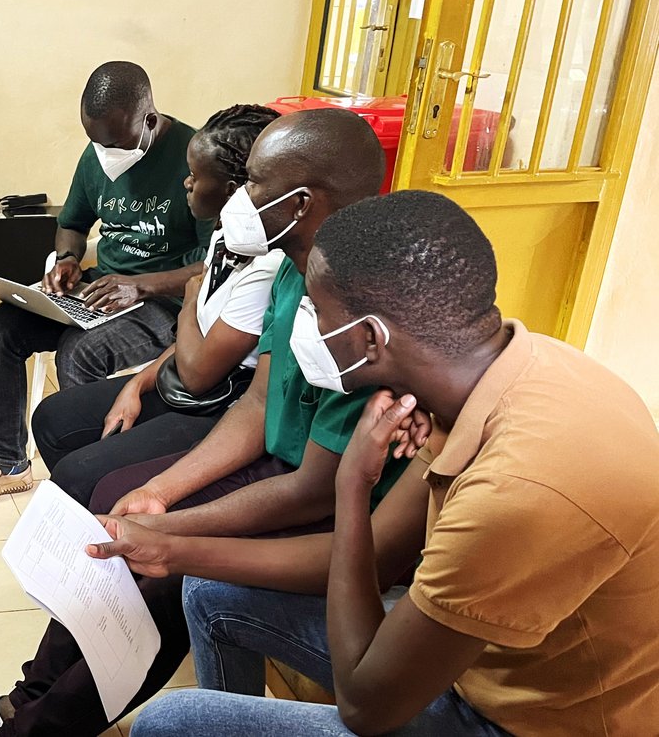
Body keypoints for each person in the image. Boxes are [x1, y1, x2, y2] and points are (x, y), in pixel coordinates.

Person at [0, 108, 409, 737]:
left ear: (301, 201)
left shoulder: (360, 315)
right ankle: (28, 699)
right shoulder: (297, 267)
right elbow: (260, 406)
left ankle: (34, 727)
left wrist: (173, 531)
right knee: (118, 533)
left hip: (325, 499)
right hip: (283, 464)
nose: (242, 196)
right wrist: (161, 493)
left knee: (162, 577)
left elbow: (313, 490)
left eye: (256, 183)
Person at [132, 191, 659, 736]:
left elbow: (367, 707)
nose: (304, 321)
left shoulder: (518, 489)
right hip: (476, 666)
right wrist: (170, 550)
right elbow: (379, 556)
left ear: (369, 337)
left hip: (527, 723)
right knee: (209, 591)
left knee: (173, 722)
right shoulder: (500, 371)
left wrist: (353, 486)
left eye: (316, 308)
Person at [0, 61, 212, 508]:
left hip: (167, 302)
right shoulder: (99, 153)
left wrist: (141, 286)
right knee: (0, 329)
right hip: (101, 289)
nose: (106, 152)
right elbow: (71, 223)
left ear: (149, 120)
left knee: (79, 352)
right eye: (97, 141)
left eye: (115, 142)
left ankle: (87, 486)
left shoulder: (195, 160)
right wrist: (68, 259)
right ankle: (10, 464)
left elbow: (211, 266)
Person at [32, 104, 282, 507]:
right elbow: (196, 336)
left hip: (218, 398)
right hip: (185, 372)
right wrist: (137, 384)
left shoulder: (266, 264)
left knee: (80, 473)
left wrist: (185, 304)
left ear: (234, 188)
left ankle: (101, 535)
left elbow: (199, 371)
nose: (186, 183)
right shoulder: (226, 237)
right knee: (51, 419)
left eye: (196, 178)